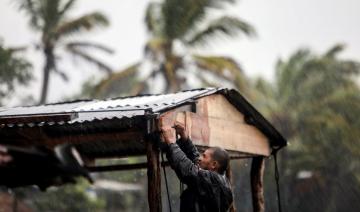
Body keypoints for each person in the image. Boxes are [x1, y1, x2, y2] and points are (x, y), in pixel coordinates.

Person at [160, 123, 233, 212]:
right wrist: (185, 139)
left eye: (204, 156)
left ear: (214, 164)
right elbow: (196, 163)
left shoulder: (213, 181)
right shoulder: (217, 180)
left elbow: (189, 170)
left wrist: (171, 142)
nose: (200, 158)